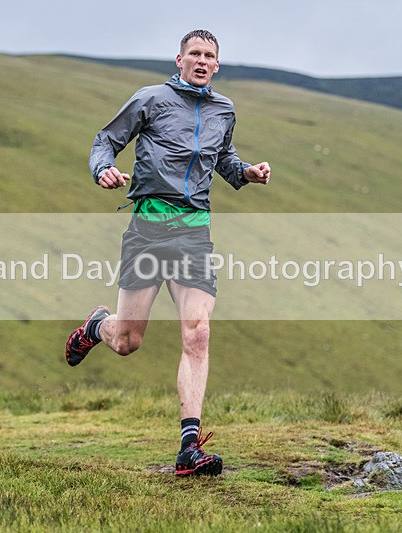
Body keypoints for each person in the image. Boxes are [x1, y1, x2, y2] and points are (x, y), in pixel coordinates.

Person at [65, 29, 271, 477]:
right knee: (127, 342)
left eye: (209, 55)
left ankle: (188, 448)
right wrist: (103, 170)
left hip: (194, 230)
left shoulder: (224, 109)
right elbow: (105, 140)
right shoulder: (150, 99)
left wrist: (249, 173)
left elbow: (224, 159)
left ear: (217, 65)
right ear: (178, 59)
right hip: (148, 227)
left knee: (197, 332)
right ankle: (98, 325)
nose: (201, 61)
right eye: (194, 53)